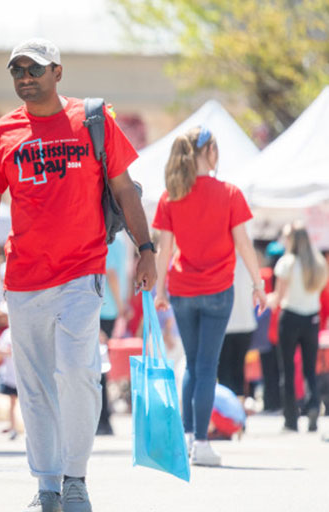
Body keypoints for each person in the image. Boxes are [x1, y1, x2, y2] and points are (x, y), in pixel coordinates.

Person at [0, 38, 154, 512]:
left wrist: (146, 249)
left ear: (57, 72)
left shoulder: (92, 120)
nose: (26, 77)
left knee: (79, 373)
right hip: (23, 279)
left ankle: (75, 480)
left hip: (82, 271)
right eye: (17, 70)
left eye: (35, 69)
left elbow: (124, 189)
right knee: (36, 386)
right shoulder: (2, 132)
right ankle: (47, 485)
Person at [153, 126, 266, 467]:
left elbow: (164, 250)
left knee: (191, 365)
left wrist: (160, 290)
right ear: (211, 152)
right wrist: (258, 284)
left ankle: (188, 438)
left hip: (182, 289)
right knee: (206, 367)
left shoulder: (170, 195)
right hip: (218, 290)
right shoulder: (229, 193)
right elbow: (243, 243)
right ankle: (201, 443)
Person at [269, 221, 327, 432]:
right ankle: (313, 406)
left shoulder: (287, 263)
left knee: (288, 369)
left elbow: (279, 296)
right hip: (312, 318)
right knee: (310, 369)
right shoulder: (317, 263)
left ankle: (290, 417)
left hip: (290, 316)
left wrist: (267, 299)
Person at [97, 238, 128, 436]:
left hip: (103, 310)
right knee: (100, 367)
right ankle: (102, 419)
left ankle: (102, 419)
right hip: (105, 310)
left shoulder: (109, 240)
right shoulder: (115, 242)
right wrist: (121, 305)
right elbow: (112, 274)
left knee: (99, 366)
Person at [218, 253, 258, 401]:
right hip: (246, 323)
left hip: (225, 324)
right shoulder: (248, 263)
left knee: (224, 372)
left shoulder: (221, 262)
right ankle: (237, 414)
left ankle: (227, 413)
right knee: (239, 370)